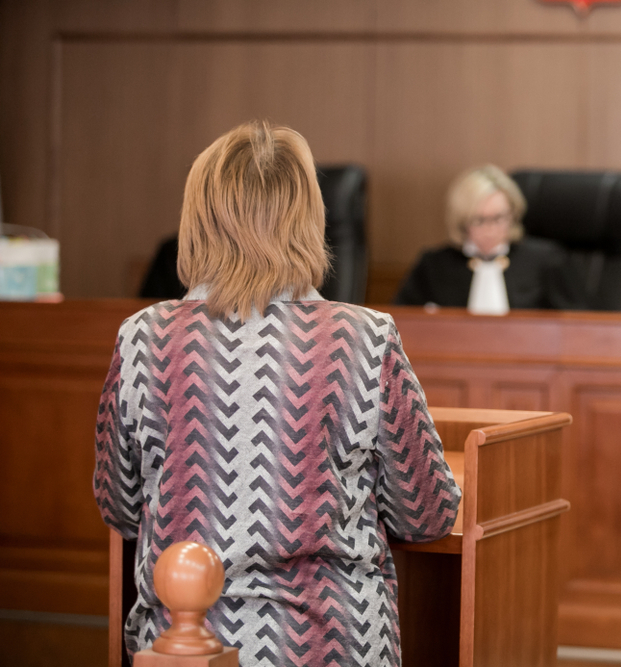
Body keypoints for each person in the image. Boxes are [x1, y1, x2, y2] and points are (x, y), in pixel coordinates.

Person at [93, 121, 461, 667]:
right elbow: (426, 515)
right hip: (333, 644)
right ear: (308, 220)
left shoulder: (142, 337)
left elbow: (120, 508)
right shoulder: (364, 337)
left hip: (180, 646)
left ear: (198, 220)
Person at [393, 165, 586, 311]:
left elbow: (578, 323)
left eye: (499, 218)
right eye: (479, 220)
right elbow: (402, 323)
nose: (490, 230)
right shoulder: (434, 265)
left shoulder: (547, 260)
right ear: (462, 221)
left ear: (513, 214)